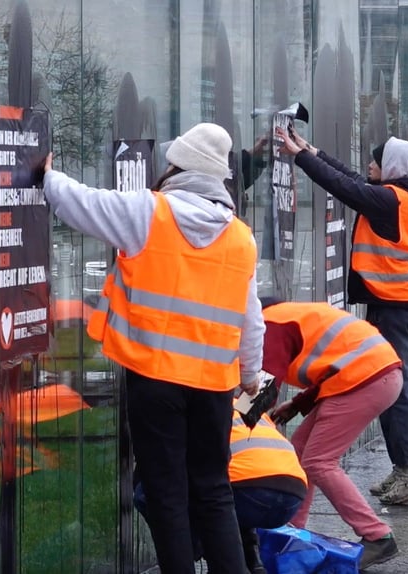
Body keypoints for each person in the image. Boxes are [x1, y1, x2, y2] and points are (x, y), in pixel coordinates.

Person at [42, 122, 266, 574]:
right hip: (214, 389)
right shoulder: (241, 237)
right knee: (213, 490)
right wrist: (250, 375)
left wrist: (48, 177)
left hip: (155, 380)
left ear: (177, 166)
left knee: (167, 494)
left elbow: (83, 205)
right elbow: (251, 318)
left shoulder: (150, 213)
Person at [276, 129, 408, 506]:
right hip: (399, 304)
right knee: (391, 383)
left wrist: (301, 159)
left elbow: (343, 187)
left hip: (393, 307)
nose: (370, 165)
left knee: (394, 388)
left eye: (376, 161)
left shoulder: (389, 200)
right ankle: (404, 469)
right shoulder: (398, 196)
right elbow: (352, 178)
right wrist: (314, 150)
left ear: (392, 168)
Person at [259, 299, 403, 569]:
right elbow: (336, 364)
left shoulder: (269, 324)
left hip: (365, 379)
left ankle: (377, 535)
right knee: (299, 450)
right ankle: (290, 528)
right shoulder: (290, 315)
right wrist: (299, 404)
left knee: (318, 461)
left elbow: (264, 390)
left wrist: (240, 420)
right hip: (374, 375)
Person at [134, 406, 306, 574]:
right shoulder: (240, 404)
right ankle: (253, 561)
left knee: (147, 493)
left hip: (248, 490)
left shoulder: (192, 407)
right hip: (293, 496)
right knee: (232, 492)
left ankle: (194, 554)